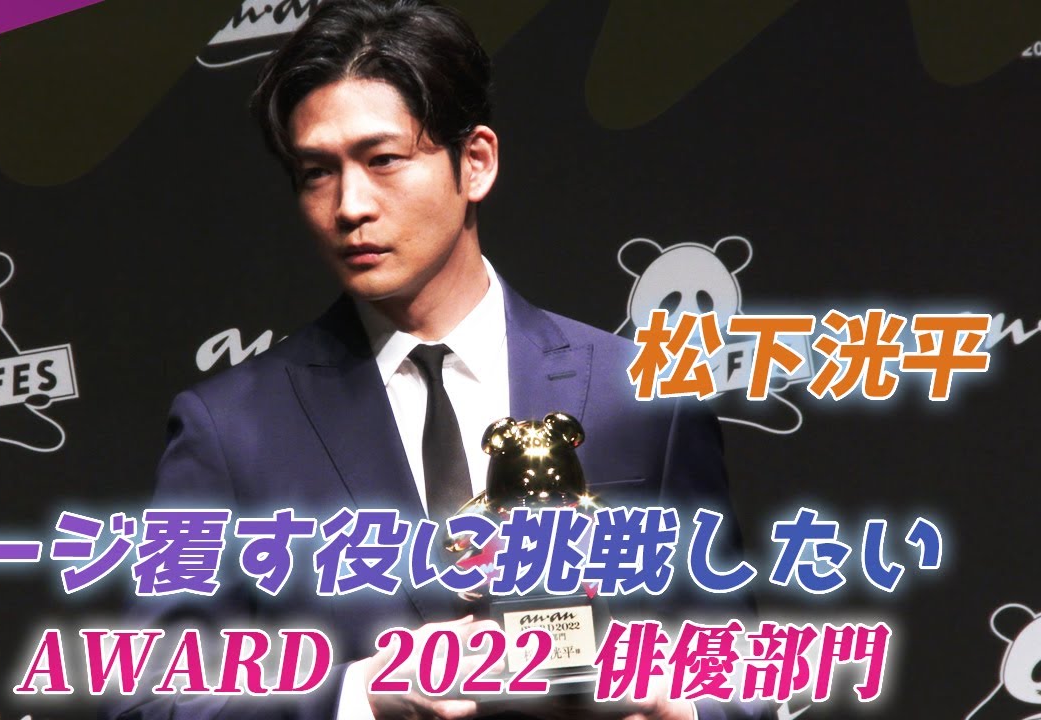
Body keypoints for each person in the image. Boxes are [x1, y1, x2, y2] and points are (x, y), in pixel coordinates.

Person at [110, 1, 771, 718]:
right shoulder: (231, 429)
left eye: (383, 160)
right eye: (316, 173)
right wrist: (357, 698)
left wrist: (688, 709)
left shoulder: (640, 394)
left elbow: (739, 669)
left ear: (475, 162)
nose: (350, 206)